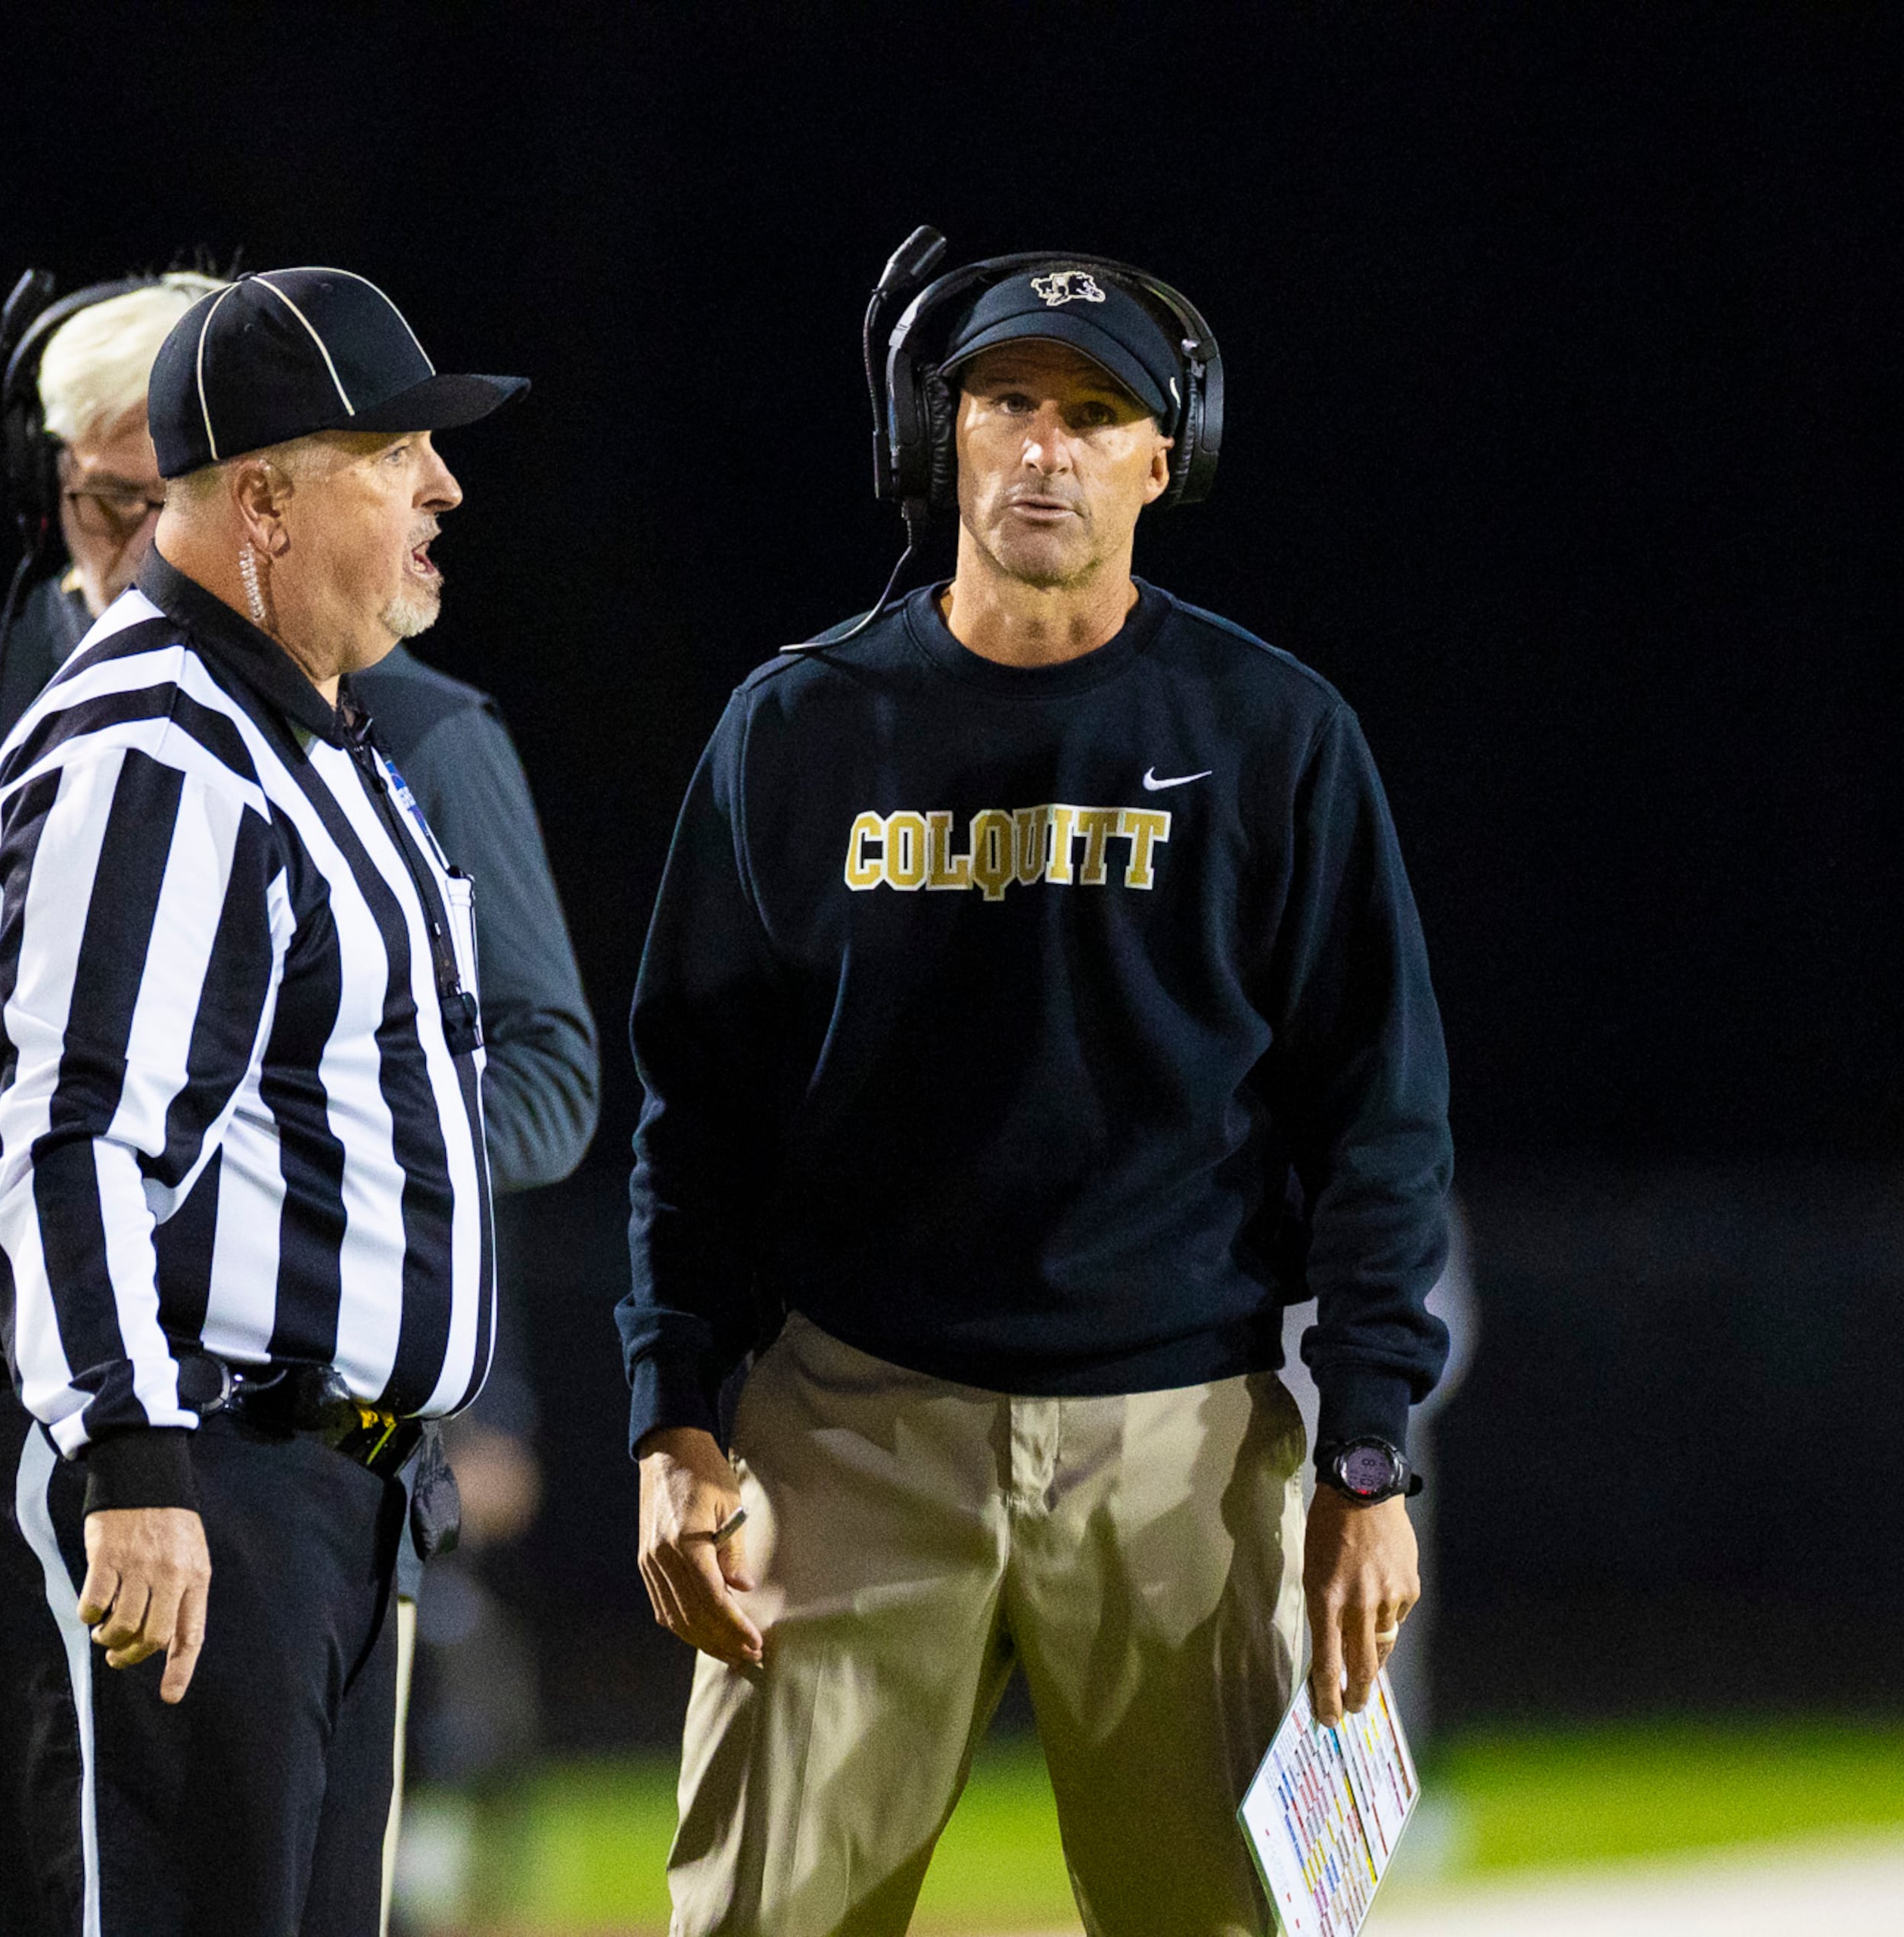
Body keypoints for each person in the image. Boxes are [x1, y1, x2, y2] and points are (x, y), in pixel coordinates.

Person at [621, 238, 1454, 1935]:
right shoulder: (797, 726)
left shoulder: (1275, 731)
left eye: (1094, 413)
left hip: (1184, 1453)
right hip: (848, 1431)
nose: (1044, 446)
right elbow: (690, 1114)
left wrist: (1367, 1458)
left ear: (1169, 457)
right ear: (945, 436)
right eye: (1007, 401)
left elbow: (1380, 1120)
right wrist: (673, 1412)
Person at [0, 266, 593, 1937]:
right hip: (186, 1478)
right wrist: (138, 1458)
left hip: (317, 1488)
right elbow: (73, 1140)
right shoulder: (151, 743)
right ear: (267, 502)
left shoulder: (316, 735)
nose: (443, 487)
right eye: (394, 453)